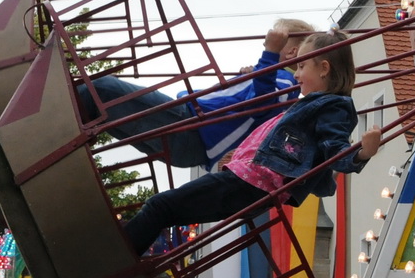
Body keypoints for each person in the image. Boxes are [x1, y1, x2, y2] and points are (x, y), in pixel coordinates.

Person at [120, 29, 382, 255]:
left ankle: (115, 256)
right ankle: (121, 256)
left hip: (252, 182)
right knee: (166, 211)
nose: (296, 73)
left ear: (324, 69)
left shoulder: (333, 107)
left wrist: (360, 154)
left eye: (302, 66)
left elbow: (334, 148)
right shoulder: (310, 104)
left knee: (160, 206)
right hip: (249, 182)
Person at [77, 21, 314, 169]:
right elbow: (246, 99)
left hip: (192, 129)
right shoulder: (272, 77)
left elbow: (263, 98)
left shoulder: (284, 80)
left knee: (100, 89)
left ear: (291, 51)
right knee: (103, 112)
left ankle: (54, 117)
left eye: (276, 42)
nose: (267, 45)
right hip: (193, 137)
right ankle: (67, 124)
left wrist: (270, 53)